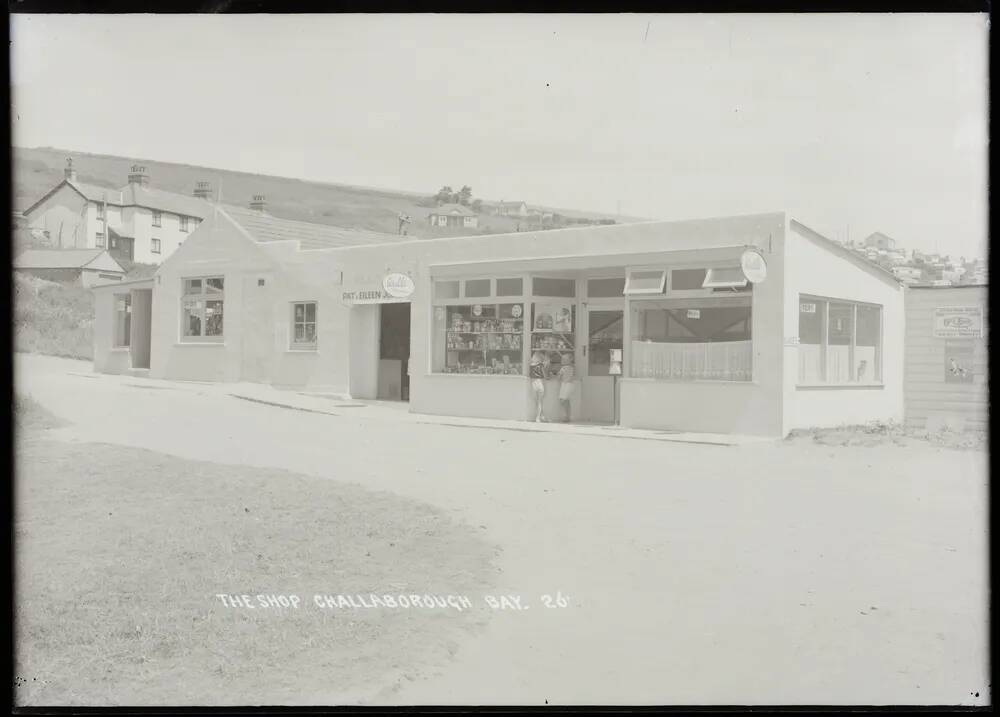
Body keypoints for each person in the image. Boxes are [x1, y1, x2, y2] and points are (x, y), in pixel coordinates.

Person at [529, 351, 549, 422]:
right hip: (540, 383)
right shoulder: (541, 366)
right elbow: (546, 376)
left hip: (533, 383)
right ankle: (539, 417)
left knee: (537, 402)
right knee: (540, 402)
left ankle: (541, 416)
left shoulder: (531, 365)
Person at [557, 353, 576, 422]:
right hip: (569, 384)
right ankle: (568, 416)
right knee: (566, 400)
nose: (562, 360)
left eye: (564, 359)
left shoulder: (564, 368)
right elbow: (571, 376)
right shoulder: (572, 367)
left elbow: (558, 377)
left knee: (563, 400)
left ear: (568, 360)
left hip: (566, 384)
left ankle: (566, 416)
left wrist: (559, 374)